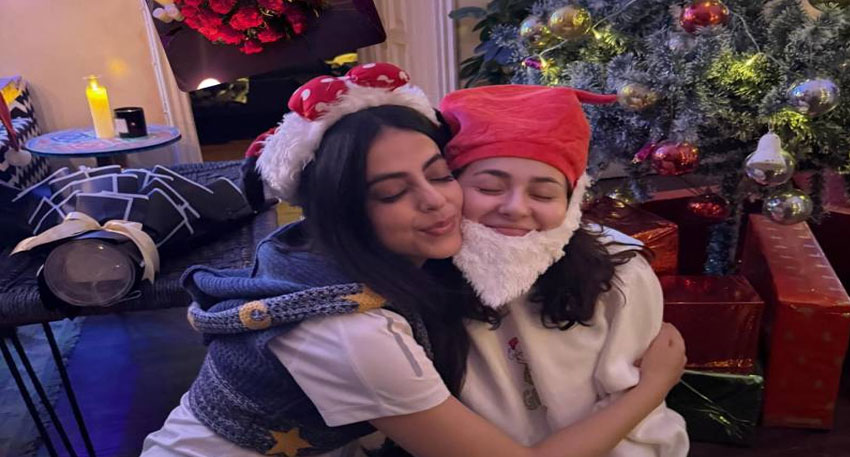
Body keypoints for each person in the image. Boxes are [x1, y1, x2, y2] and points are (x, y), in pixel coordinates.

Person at [142, 63, 685, 457]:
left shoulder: (319, 249)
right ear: (342, 212)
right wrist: (652, 387)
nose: (436, 202)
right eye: (392, 192)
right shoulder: (353, 335)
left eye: (438, 173)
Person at [436, 84, 690, 456]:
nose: (515, 208)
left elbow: (636, 416)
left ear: (571, 203)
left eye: (543, 195)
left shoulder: (620, 276)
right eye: (489, 188)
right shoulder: (421, 275)